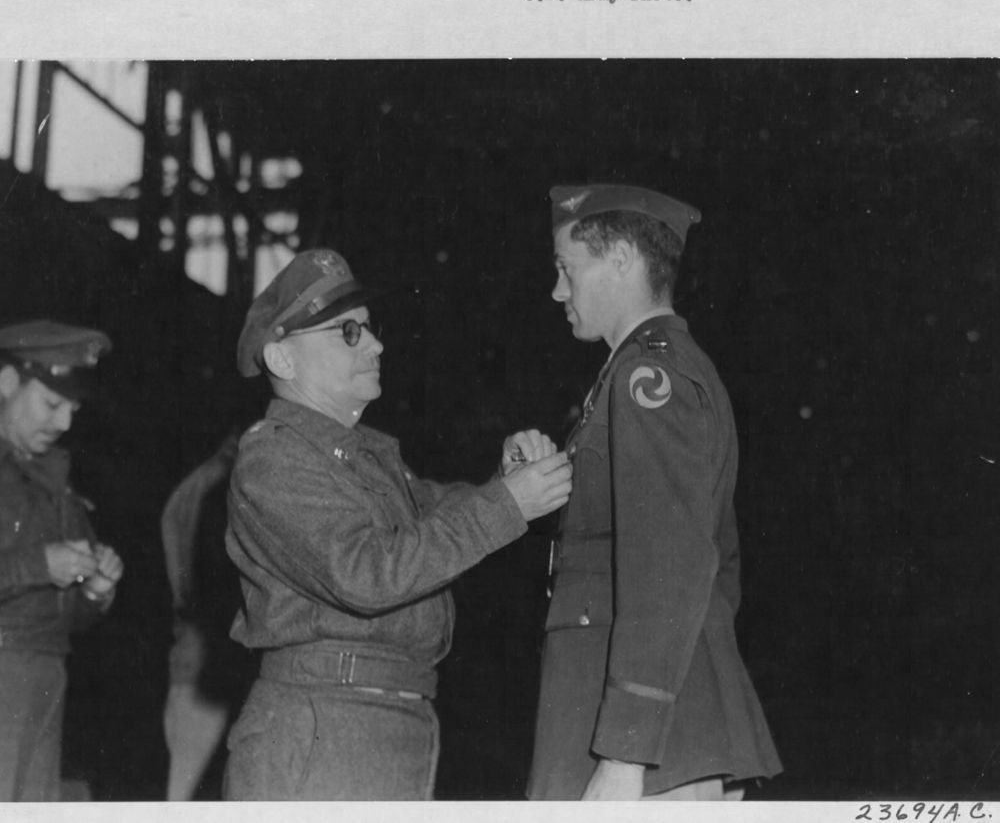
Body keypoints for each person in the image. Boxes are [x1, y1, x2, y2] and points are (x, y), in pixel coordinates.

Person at [223, 248, 572, 800]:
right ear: (282, 360)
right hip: (324, 731)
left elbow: (435, 513)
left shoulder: (359, 455)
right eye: (348, 332)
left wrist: (505, 482)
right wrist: (507, 504)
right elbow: (367, 572)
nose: (376, 345)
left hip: (379, 723)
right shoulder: (275, 459)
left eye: (370, 328)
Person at [526, 185, 782, 800]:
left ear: (620, 259)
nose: (558, 290)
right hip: (665, 733)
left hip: (645, 751)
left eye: (567, 268)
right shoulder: (645, 371)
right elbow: (715, 565)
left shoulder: (649, 377)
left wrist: (625, 750)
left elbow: (670, 564)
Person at [0, 320, 124, 801]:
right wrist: (40, 565)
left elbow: (63, 617)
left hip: (46, 673)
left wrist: (93, 591)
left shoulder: (53, 478)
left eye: (72, 409)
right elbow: (36, 571)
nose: (64, 424)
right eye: (52, 404)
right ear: (7, 382)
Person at [161, 430, 256, 800]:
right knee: (187, 785)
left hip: (198, 651)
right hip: (206, 655)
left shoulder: (195, 487)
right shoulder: (220, 490)